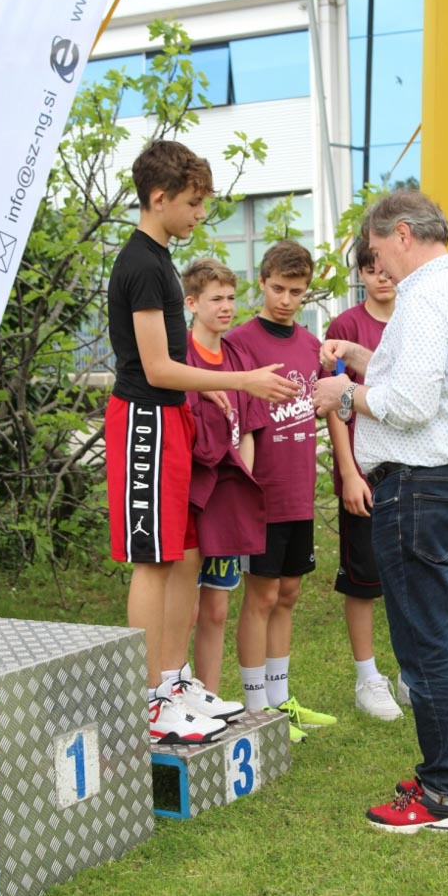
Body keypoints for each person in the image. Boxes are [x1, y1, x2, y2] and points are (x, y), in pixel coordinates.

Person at [314, 190, 448, 833]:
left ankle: (443, 794)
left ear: (401, 233)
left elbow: (412, 404)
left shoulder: (422, 298)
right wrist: (364, 360)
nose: (378, 264)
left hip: (418, 489)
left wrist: (344, 394)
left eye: (376, 249)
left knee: (425, 650)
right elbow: (430, 381)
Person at [105, 140, 300, 746]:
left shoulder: (160, 259)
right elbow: (156, 367)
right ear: (159, 197)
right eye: (192, 203)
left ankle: (173, 680)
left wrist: (210, 388)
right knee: (152, 560)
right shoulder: (140, 264)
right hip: (144, 421)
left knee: (180, 555)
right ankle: (150, 698)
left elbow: (172, 361)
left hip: (170, 420)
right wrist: (240, 381)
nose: (199, 214)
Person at [227, 240, 337, 743]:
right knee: (262, 594)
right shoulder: (241, 342)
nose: (286, 300)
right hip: (261, 493)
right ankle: (255, 708)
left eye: (296, 292)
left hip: (299, 490)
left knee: (288, 592)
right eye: (277, 289)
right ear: (262, 282)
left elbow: (328, 407)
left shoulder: (312, 346)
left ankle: (280, 700)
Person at [179, 257, 268, 696]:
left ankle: (209, 695)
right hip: (189, 497)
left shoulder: (238, 357)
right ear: (192, 303)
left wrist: (243, 480)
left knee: (216, 608)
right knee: (185, 609)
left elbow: (248, 429)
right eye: (216, 298)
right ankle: (173, 692)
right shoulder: (179, 357)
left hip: (227, 498)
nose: (226, 307)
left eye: (231, 298)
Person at [325, 239, 404, 721]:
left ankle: (411, 671)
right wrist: (349, 472)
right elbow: (334, 403)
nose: (382, 277)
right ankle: (367, 677)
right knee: (363, 581)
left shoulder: (414, 319)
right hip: (365, 473)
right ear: (360, 275)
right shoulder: (345, 327)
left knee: (412, 577)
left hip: (412, 470)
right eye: (372, 270)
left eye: (387, 269)